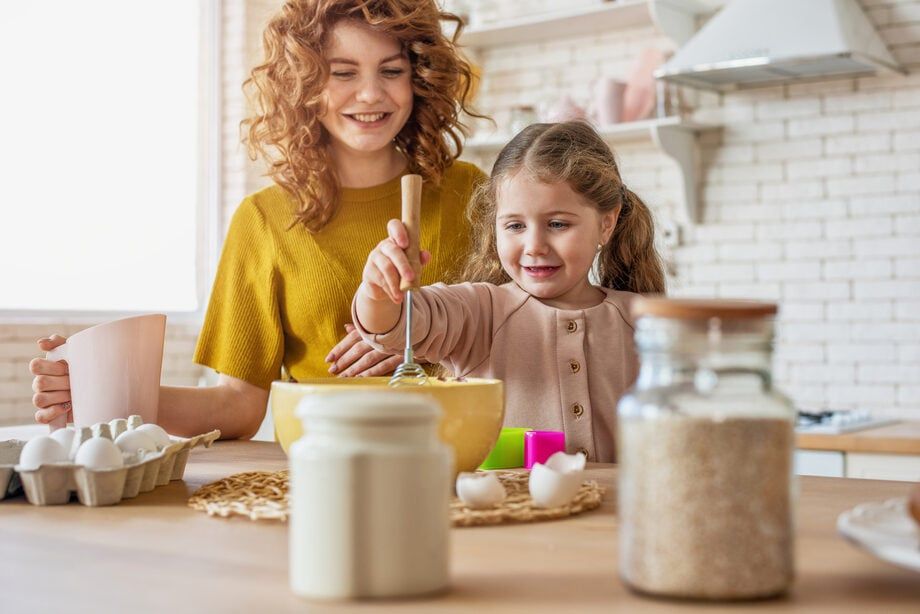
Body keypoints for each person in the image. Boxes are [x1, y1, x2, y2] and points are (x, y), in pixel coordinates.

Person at [30, 0, 485, 438]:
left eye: (392, 71)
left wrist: (419, 341)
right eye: (342, 73)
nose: (371, 93)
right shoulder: (263, 218)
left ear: (420, 78)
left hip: (457, 457)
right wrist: (98, 392)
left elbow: (534, 334)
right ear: (303, 84)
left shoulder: (472, 195)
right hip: (319, 466)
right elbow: (238, 407)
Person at [353, 121, 665, 462]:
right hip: (509, 511)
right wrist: (377, 291)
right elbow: (397, 325)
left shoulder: (645, 321)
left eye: (558, 224)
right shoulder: (481, 311)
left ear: (607, 222)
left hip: (617, 512)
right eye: (515, 225)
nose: (534, 245)